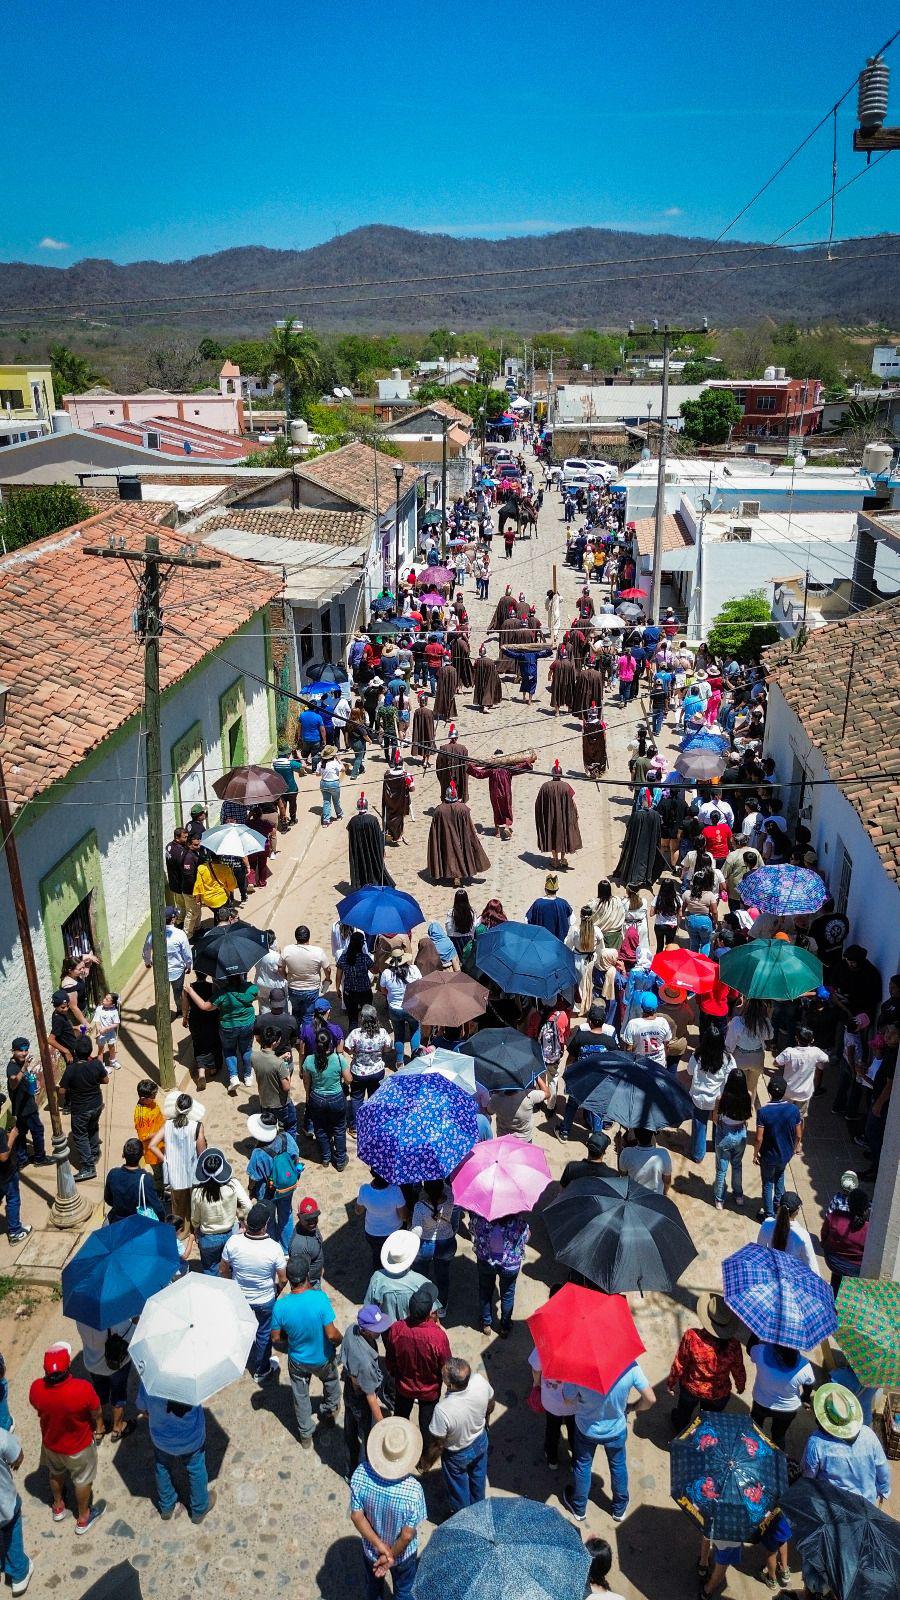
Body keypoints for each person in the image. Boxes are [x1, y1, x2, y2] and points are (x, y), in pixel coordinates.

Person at [561, 1360, 655, 1524]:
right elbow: (650, 1399)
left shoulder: (578, 1369)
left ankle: (579, 1508)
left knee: (583, 1465)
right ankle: (619, 1509)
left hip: (586, 1429)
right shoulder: (630, 1366)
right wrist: (633, 1407)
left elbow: (568, 1400)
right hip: (616, 1430)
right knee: (618, 1465)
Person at [28, 1343, 104, 1535]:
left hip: (51, 1444)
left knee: (55, 1473)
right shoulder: (82, 1389)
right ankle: (83, 1517)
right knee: (82, 1481)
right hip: (79, 1446)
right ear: (68, 1366)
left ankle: (58, 1506)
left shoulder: (36, 1388)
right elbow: (96, 1411)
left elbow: (37, 1406)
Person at [349, 1416, 427, 1600]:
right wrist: (391, 1555)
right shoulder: (414, 1491)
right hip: (403, 1555)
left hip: (371, 1550)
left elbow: (356, 1516)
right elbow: (407, 1535)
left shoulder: (360, 1475)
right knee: (404, 1590)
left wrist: (379, 1546)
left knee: (373, 1587)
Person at [270, 1258, 342, 1448]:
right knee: (331, 1381)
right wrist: (339, 1340)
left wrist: (290, 1337)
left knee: (300, 1397)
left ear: (290, 1279)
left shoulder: (280, 1306)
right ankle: (329, 1412)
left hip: (298, 1361)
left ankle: (305, 1435)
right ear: (307, 1276)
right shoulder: (320, 1298)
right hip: (323, 1358)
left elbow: (276, 1338)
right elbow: (332, 1333)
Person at [219, 1202, 287, 1382]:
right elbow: (283, 1278)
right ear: (265, 1225)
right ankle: (261, 1369)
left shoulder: (233, 1242)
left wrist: (230, 1287)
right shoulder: (274, 1248)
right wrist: (276, 1292)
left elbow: (223, 1268)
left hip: (240, 1297)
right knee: (263, 1334)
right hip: (265, 1299)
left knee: (241, 1329)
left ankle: (238, 1361)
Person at [421, 1358, 494, 1512]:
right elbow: (490, 1403)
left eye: (443, 1375)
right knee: (478, 1478)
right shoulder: (480, 1382)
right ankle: (478, 1508)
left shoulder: (443, 1410)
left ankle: (464, 1516)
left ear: (451, 1385)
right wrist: (485, 1421)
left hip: (457, 1454)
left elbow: (437, 1444)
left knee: (459, 1490)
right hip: (480, 1440)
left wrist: (426, 1463)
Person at [136, 1380, 214, 1524]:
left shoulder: (150, 1382)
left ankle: (166, 1506)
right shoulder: (193, 1383)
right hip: (191, 1439)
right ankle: (199, 1509)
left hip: (161, 1440)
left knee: (162, 1467)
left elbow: (142, 1407)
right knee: (196, 1469)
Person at [667, 1293, 746, 1433]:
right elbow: (738, 1368)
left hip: (691, 1388)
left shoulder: (692, 1337)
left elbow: (680, 1362)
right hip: (718, 1393)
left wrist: (671, 1383)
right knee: (709, 1422)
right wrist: (740, 1386)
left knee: (683, 1413)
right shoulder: (733, 1345)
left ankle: (680, 1428)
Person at [801, 1382, 891, 1504]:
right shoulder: (868, 1434)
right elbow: (882, 1468)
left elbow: (808, 1475)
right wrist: (883, 1491)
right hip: (868, 1502)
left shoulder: (816, 1442)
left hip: (834, 1505)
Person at [383, 1285, 450, 1439]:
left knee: (400, 1418)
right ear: (429, 1313)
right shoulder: (437, 1337)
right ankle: (425, 1459)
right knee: (427, 1425)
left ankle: (399, 1447)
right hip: (429, 1390)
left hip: (403, 1386)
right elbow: (445, 1365)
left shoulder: (397, 1329)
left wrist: (394, 1374)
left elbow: (390, 1359)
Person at [343, 1303, 392, 1475]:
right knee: (368, 1437)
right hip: (361, 1398)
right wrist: (383, 1425)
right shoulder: (365, 1362)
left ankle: (350, 1469)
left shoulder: (351, 1330)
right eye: (376, 1329)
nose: (380, 1331)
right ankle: (363, 1472)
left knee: (350, 1430)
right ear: (364, 1330)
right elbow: (371, 1398)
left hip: (350, 1390)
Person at [190, 1147, 251, 1275]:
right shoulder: (233, 1184)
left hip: (208, 1238)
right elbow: (248, 1205)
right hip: (231, 1233)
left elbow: (195, 1218)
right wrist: (241, 1217)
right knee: (232, 1267)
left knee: (210, 1269)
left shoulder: (197, 1193)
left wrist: (195, 1228)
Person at [302, 1013, 350, 1170]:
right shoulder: (338, 1059)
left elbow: (307, 1082)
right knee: (339, 1129)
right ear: (330, 1043)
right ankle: (341, 1160)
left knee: (320, 1129)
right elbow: (349, 1079)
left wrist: (308, 1098)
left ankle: (325, 1157)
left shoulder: (309, 1060)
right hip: (336, 1097)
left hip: (317, 1098)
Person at [469, 1211, 530, 1337]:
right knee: (508, 1294)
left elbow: (473, 1231)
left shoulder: (481, 1219)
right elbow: (526, 1237)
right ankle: (505, 1326)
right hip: (510, 1265)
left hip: (486, 1261)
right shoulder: (517, 1221)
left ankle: (486, 1323)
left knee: (485, 1291)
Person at [149, 1092, 206, 1224]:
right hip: (192, 1174)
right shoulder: (196, 1126)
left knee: (178, 1207)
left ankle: (182, 1232)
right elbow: (202, 1153)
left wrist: (166, 1160)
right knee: (195, 1204)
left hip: (175, 1176)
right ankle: (195, 1228)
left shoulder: (167, 1125)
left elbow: (152, 1145)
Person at [59, 1037, 109, 1183]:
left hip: (80, 1109)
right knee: (92, 1128)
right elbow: (106, 1080)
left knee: (80, 1135)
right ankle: (94, 1152)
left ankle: (88, 1167)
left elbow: (62, 1091)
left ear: (75, 1052)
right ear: (90, 1051)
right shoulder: (96, 1064)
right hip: (97, 1104)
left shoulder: (71, 1069)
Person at [748, 1340, 814, 1448]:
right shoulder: (805, 1365)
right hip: (787, 1410)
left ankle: (750, 1454)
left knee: (754, 1430)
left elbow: (749, 1349)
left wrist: (754, 1335)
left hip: (761, 1403)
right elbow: (809, 1385)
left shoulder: (760, 1351)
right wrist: (805, 1397)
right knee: (778, 1435)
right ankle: (778, 1460)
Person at [753, 1077, 803, 1219]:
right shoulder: (793, 1110)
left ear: (769, 1092)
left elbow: (758, 1138)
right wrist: (793, 1148)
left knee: (768, 1183)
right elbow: (798, 1135)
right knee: (780, 1176)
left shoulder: (763, 1112)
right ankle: (780, 1207)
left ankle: (769, 1215)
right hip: (785, 1155)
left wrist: (755, 1154)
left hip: (768, 1156)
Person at [685, 1028, 735, 1164]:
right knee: (718, 1124)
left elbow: (689, 1071)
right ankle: (716, 1147)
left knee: (699, 1126)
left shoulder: (697, 1056)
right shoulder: (727, 1058)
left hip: (700, 1099)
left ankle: (697, 1154)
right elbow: (732, 1076)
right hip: (718, 1100)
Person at [426, 782, 490, 887]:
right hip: (461, 836)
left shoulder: (439, 810)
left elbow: (435, 830)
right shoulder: (463, 808)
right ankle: (458, 875)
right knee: (461, 853)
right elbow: (468, 826)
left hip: (446, 838)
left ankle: (454, 875)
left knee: (449, 854)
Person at [410, 1180, 457, 1314]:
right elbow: (448, 1188)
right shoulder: (450, 1198)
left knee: (420, 1276)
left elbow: (417, 1230)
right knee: (442, 1277)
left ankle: (422, 1303)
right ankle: (441, 1307)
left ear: (426, 1190)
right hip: (445, 1242)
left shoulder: (420, 1207)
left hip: (425, 1244)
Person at [711, 1068, 753, 1211]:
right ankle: (739, 1195)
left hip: (725, 1134)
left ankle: (719, 1200)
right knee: (737, 1165)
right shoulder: (748, 1095)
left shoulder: (721, 1098)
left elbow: (715, 1119)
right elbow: (748, 1115)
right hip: (741, 1134)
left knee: (721, 1169)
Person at [366, 1231, 430, 1323]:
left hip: (386, 1327)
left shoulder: (377, 1278)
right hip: (410, 1330)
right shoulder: (422, 1282)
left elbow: (369, 1309)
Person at [214, 973, 258, 1095]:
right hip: (247, 1025)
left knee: (229, 1051)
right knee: (247, 1050)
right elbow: (256, 995)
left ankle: (234, 1077)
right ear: (241, 977)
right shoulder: (250, 988)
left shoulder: (221, 993)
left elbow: (206, 1006)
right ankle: (248, 1076)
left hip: (228, 1027)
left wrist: (190, 991)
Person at [0, 1419, 31, 1593]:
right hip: (4, 1503)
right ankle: (19, 1572)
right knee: (11, 1530)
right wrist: (16, 1464)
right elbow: (17, 1455)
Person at [103, 1139, 165, 1224]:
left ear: (123, 1154)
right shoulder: (146, 1179)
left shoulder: (113, 1174)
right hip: (137, 1224)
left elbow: (108, 1199)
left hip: (117, 1222)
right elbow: (157, 1208)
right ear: (143, 1153)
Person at [142, 907, 192, 1013]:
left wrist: (147, 962)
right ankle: (180, 1010)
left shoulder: (152, 934)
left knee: (162, 993)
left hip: (160, 971)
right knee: (178, 992)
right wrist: (188, 965)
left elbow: (146, 950)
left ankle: (163, 1011)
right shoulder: (180, 934)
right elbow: (187, 954)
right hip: (177, 971)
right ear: (173, 919)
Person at [820, 1186, 870, 1292]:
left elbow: (824, 1236)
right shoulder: (870, 1229)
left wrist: (826, 1246)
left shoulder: (834, 1216)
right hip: (855, 1269)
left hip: (833, 1261)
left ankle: (833, 1294)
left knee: (837, 1277)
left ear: (848, 1204)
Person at [534, 762, 582, 869]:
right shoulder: (566, 786)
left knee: (552, 835)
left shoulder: (545, 786)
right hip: (564, 817)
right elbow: (572, 801)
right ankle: (562, 858)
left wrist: (543, 816)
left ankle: (555, 860)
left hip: (550, 817)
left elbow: (538, 803)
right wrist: (575, 813)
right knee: (564, 835)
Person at [282, 926, 331, 1029]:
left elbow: (280, 968)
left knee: (295, 1013)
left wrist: (286, 977)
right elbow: (328, 969)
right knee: (308, 1016)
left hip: (294, 988)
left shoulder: (287, 950)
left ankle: (296, 1036)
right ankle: (305, 1039)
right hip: (311, 990)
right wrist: (327, 979)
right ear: (309, 937)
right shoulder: (318, 951)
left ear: (296, 937)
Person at [774, 1025, 829, 1117]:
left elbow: (776, 1063)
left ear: (796, 1038)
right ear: (812, 1040)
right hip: (804, 1092)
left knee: (783, 1114)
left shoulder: (789, 1052)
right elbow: (826, 1059)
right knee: (799, 1118)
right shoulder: (816, 1051)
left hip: (788, 1090)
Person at [757, 1192, 818, 1274]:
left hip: (770, 1271)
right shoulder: (802, 1235)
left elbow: (760, 1250)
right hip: (791, 1276)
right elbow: (811, 1265)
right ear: (797, 1211)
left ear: (779, 1206)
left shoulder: (767, 1224)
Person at [379, 954, 423, 1068]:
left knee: (398, 1034)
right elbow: (420, 986)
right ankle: (415, 1057)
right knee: (415, 1030)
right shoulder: (414, 970)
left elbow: (383, 990)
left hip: (395, 1009)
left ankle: (399, 1060)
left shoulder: (386, 973)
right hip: (412, 1007)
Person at [357, 1179, 410, 1270]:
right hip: (394, 1232)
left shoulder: (364, 1189)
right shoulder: (395, 1190)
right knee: (394, 1259)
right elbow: (404, 1216)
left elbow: (358, 1211)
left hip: (372, 1233)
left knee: (377, 1256)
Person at [622, 993, 672, 1070]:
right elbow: (667, 1045)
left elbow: (628, 1049)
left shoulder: (633, 1024)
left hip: (640, 1064)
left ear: (641, 1007)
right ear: (656, 1007)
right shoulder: (663, 1022)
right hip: (659, 1064)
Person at [618, 1128, 672, 1195]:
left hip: (633, 1196)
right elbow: (667, 1181)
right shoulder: (663, 1154)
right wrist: (664, 1193)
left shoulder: (626, 1153)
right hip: (656, 1197)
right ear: (652, 1134)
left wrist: (619, 1147)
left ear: (635, 1135)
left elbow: (623, 1174)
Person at [525, 874, 574, 941]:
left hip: (541, 942)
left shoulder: (538, 903)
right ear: (557, 890)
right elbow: (572, 921)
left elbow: (527, 921)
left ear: (545, 889)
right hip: (558, 944)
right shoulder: (563, 903)